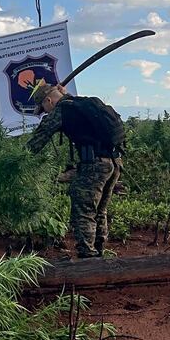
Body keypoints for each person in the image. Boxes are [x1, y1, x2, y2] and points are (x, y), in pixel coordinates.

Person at [26, 80, 124, 258]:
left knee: (83, 210)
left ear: (49, 101)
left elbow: (37, 140)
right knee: (99, 209)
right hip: (115, 161)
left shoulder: (61, 111)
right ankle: (99, 250)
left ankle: (87, 255)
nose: (44, 113)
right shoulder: (79, 103)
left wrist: (19, 159)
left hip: (94, 165)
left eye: (43, 109)